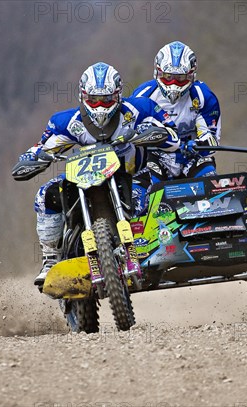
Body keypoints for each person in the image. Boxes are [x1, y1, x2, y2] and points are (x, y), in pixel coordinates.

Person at [19, 62, 179, 288]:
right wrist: (31, 158)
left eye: (106, 100)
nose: (101, 107)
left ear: (118, 95)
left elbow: (173, 136)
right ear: (83, 96)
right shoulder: (66, 122)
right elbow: (43, 145)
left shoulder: (141, 109)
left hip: (131, 175)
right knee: (46, 195)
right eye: (94, 100)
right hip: (83, 180)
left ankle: (153, 247)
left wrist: (156, 134)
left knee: (149, 201)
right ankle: (50, 258)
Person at [132, 41, 221, 183]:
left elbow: (211, 139)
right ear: (158, 72)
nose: (173, 84)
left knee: (210, 182)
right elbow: (130, 133)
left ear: (191, 75)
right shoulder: (143, 95)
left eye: (180, 78)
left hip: (193, 157)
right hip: (155, 158)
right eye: (168, 77)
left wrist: (199, 145)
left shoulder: (203, 96)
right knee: (141, 194)